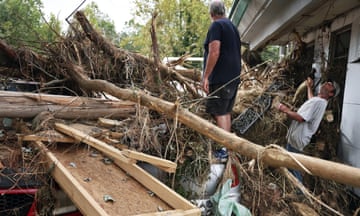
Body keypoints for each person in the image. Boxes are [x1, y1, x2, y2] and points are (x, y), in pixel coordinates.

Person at [277, 77, 338, 183]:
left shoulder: (319, 102)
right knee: (291, 165)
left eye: (329, 84)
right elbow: (311, 100)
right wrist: (309, 87)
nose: (325, 84)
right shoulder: (319, 101)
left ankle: (299, 193)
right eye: (327, 82)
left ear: (331, 94)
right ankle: (295, 190)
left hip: (297, 139)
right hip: (297, 138)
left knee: (293, 168)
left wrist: (284, 109)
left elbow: (301, 118)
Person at [201, 0, 241, 161]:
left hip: (220, 77)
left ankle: (223, 149)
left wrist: (206, 76)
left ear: (212, 14)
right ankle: (227, 147)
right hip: (233, 77)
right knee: (225, 112)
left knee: (218, 112)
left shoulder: (216, 26)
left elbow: (214, 51)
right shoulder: (233, 27)